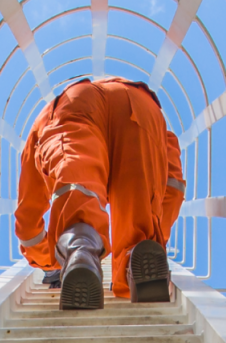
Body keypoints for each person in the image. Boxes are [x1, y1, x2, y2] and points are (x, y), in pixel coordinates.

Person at [14, 76, 186, 309]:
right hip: (142, 106)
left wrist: (50, 259)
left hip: (74, 103)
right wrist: (155, 235)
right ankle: (135, 256)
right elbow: (173, 184)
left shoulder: (48, 116)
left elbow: (27, 219)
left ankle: (80, 248)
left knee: (77, 179)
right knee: (139, 210)